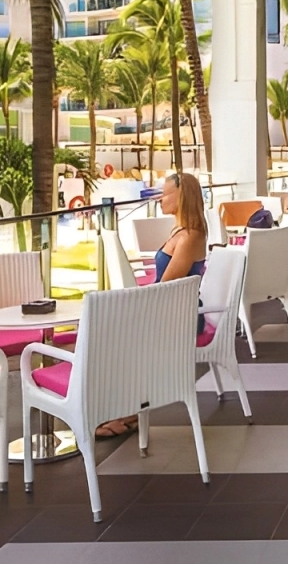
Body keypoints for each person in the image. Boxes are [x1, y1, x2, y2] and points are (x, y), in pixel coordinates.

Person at [98, 171, 207, 439]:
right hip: (168, 310)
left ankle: (126, 410)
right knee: (107, 332)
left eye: (166, 193)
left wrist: (134, 306)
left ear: (182, 196)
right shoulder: (179, 231)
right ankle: (121, 407)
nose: (160, 198)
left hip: (180, 316)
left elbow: (166, 287)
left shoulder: (190, 236)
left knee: (115, 338)